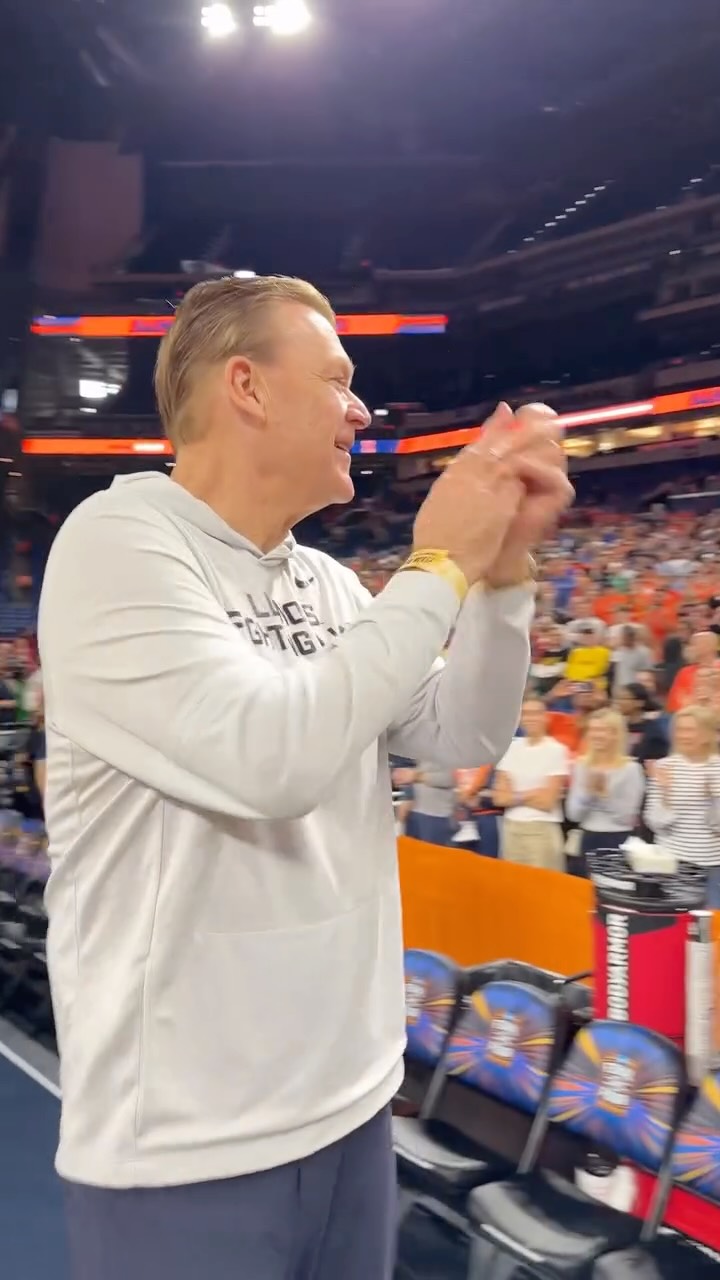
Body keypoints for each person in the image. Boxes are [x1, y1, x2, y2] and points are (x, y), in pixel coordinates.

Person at [38, 275, 572, 1280]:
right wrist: (437, 565)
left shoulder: (324, 580)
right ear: (246, 385)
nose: (360, 408)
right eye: (336, 377)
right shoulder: (120, 545)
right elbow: (269, 760)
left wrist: (500, 578)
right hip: (189, 1147)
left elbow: (464, 728)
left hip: (351, 1105)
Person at [645, 705, 720, 905]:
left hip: (714, 866)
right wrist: (666, 794)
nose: (682, 736)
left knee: (713, 920)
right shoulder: (664, 767)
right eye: (679, 729)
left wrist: (715, 798)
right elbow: (655, 824)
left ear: (707, 734)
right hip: (673, 864)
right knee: (679, 920)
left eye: (690, 730)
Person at [493, 695, 569, 871]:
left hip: (542, 830)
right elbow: (499, 798)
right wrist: (533, 793)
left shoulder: (556, 750)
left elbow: (547, 802)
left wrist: (514, 796)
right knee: (513, 883)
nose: (530, 718)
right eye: (525, 713)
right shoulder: (510, 748)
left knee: (543, 885)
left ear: (545, 717)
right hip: (511, 828)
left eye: (536, 713)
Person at [565, 709, 645, 876]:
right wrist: (589, 795)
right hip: (587, 839)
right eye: (593, 730)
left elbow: (626, 817)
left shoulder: (631, 769)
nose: (596, 735)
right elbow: (573, 814)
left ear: (616, 734)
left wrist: (604, 796)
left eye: (602, 730)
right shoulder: (581, 766)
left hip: (617, 841)